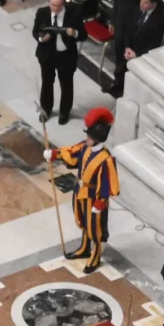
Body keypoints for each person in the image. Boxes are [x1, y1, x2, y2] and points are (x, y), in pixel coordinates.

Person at [52, 108, 119, 273]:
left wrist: (100, 202)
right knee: (82, 221)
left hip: (94, 197)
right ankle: (84, 248)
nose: (87, 139)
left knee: (94, 228)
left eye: (90, 137)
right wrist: (55, 153)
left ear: (97, 139)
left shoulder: (106, 159)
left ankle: (95, 255)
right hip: (80, 191)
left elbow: (107, 183)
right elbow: (71, 153)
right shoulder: (84, 147)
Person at [33, 0, 82, 122]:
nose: (55, 9)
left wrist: (74, 33)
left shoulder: (74, 13)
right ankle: (46, 109)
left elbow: (83, 34)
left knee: (66, 84)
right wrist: (42, 38)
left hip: (65, 56)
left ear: (64, 3)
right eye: (53, 5)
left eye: (59, 6)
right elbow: (35, 31)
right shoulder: (42, 13)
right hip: (47, 55)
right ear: (49, 3)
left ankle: (64, 112)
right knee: (47, 83)